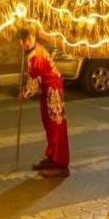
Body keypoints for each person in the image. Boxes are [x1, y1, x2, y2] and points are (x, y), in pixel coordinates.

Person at [18, 27, 70, 178]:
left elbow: (33, 83)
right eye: (22, 40)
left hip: (53, 90)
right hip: (47, 90)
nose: (25, 43)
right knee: (48, 124)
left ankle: (60, 163)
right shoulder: (32, 52)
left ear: (33, 37)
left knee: (56, 126)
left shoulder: (37, 55)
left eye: (28, 39)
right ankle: (52, 157)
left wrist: (24, 94)